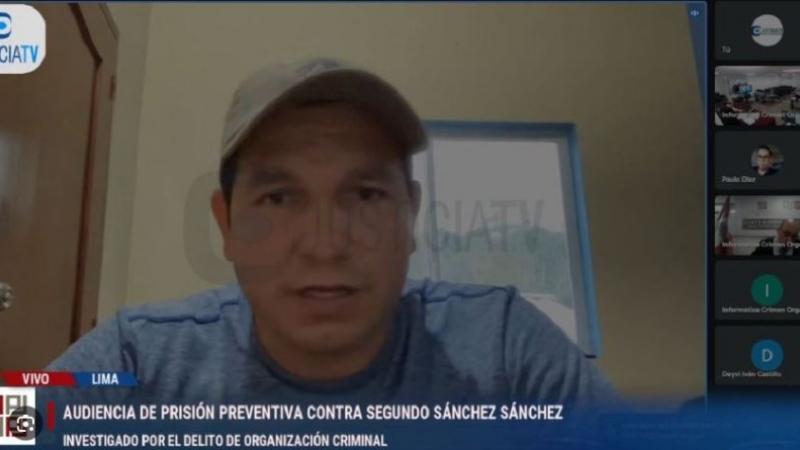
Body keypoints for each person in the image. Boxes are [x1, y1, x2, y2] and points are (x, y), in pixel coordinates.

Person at [47, 58, 615, 407]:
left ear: (411, 217)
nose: (325, 245)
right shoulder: (137, 359)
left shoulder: (504, 349)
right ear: (227, 225)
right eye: (278, 198)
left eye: (365, 196)